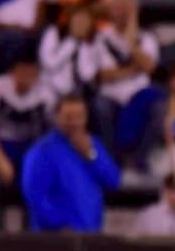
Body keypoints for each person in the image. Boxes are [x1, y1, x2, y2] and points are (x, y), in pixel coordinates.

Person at [21, 92, 120, 233]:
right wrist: (60, 226)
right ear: (56, 117)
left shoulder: (94, 145)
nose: (75, 122)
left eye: (79, 117)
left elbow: (113, 181)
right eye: (68, 117)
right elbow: (35, 196)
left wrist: (91, 156)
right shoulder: (42, 151)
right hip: (55, 239)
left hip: (91, 234)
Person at [0, 58, 56, 230]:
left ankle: (32, 234)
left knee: (36, 178)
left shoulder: (47, 94)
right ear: (13, 71)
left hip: (31, 146)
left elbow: (51, 135)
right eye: (22, 71)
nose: (26, 77)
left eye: (32, 72)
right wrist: (1, 160)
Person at [94, 0, 161, 162]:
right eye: (118, 8)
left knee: (158, 106)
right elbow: (101, 75)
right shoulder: (100, 38)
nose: (122, 13)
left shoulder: (146, 38)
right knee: (101, 107)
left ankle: (140, 162)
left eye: (127, 9)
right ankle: (111, 161)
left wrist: (132, 42)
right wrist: (132, 69)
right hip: (110, 95)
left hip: (139, 94)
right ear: (110, 11)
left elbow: (149, 67)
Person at [37, 4, 99, 99]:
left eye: (85, 22)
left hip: (74, 94)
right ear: (71, 20)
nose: (81, 25)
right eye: (78, 20)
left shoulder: (89, 43)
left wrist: (85, 48)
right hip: (49, 88)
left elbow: (87, 75)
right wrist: (72, 42)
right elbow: (50, 64)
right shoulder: (55, 33)